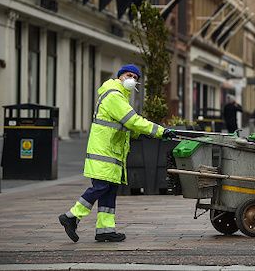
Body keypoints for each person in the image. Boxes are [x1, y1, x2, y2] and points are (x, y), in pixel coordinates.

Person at [58, 64, 177, 243]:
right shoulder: (114, 95)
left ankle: (105, 230)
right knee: (101, 187)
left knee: (109, 189)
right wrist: (160, 131)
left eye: (136, 78)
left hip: (111, 152)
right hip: (103, 151)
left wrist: (141, 132)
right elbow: (132, 120)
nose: (132, 80)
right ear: (120, 76)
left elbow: (126, 125)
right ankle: (72, 216)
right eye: (129, 75)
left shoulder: (120, 97)